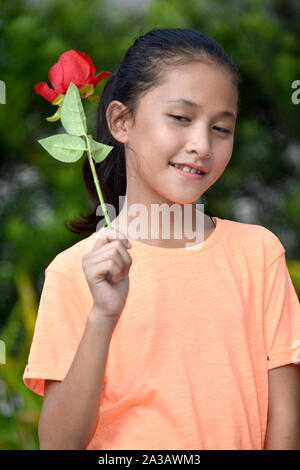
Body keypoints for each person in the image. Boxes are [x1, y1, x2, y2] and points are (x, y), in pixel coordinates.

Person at [22, 28, 300, 450]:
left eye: (221, 128)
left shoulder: (258, 253)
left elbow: (286, 420)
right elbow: (58, 444)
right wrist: (102, 316)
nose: (201, 144)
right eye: (181, 118)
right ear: (121, 121)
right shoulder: (75, 273)